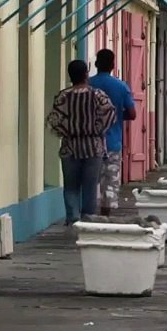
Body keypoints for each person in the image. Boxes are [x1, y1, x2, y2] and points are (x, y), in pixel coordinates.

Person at [47, 59, 116, 226]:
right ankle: (88, 219)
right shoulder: (98, 95)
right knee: (90, 187)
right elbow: (110, 115)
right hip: (93, 147)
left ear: (71, 76)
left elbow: (54, 121)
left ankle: (73, 219)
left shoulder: (62, 97)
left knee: (71, 187)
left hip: (70, 147)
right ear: (86, 73)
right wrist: (98, 130)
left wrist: (67, 131)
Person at [89, 49, 135, 217]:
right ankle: (105, 214)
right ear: (113, 65)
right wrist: (115, 116)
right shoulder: (121, 86)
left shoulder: (88, 84)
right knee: (110, 180)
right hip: (113, 140)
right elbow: (132, 114)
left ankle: (87, 212)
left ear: (96, 64)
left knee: (90, 179)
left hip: (90, 141)